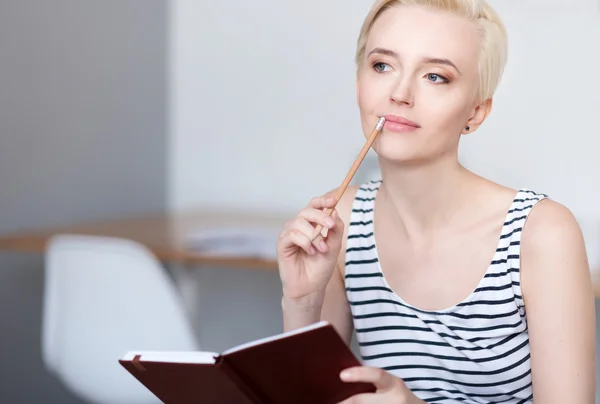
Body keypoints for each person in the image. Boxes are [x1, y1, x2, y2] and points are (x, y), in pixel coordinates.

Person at [276, 0, 596, 403]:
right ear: (358, 82)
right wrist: (302, 301)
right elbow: (308, 398)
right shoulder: (342, 221)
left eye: (435, 76)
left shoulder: (542, 233)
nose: (400, 93)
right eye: (382, 66)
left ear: (475, 113)